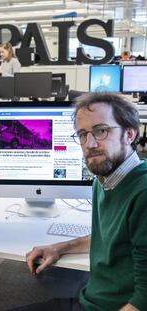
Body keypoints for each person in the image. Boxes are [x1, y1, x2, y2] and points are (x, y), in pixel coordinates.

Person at [9, 93, 147, 311]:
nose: (89, 144)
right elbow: (112, 237)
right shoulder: (105, 180)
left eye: (101, 131)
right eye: (82, 134)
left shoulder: (143, 192)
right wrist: (60, 247)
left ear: (129, 134)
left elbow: (143, 301)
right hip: (90, 301)